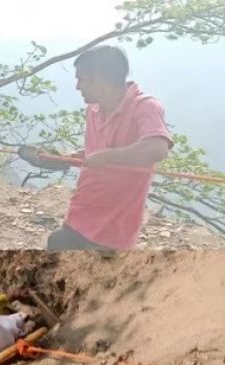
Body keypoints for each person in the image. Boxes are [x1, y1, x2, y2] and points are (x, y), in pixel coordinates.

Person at [47, 45, 172, 250]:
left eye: (82, 79)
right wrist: (67, 158)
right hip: (81, 213)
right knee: (57, 247)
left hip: (113, 228)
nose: (78, 87)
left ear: (99, 79)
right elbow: (95, 154)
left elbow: (157, 147)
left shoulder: (144, 106)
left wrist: (107, 157)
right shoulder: (93, 110)